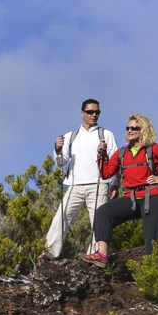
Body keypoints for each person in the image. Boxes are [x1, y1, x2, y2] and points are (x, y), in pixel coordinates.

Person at [88, 114, 158, 262]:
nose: (129, 131)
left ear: (144, 130)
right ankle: (102, 255)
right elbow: (106, 174)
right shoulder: (121, 153)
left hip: (154, 197)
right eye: (128, 128)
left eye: (134, 128)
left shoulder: (154, 149)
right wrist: (102, 155)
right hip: (130, 198)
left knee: (153, 245)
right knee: (103, 213)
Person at [45, 97, 116, 260]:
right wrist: (57, 148)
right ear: (82, 113)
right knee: (61, 217)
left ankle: (95, 255)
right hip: (75, 185)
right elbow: (61, 162)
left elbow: (114, 161)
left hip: (99, 184)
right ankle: (49, 253)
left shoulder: (105, 134)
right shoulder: (71, 136)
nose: (94, 115)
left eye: (97, 112)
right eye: (90, 112)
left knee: (98, 222)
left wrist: (114, 184)